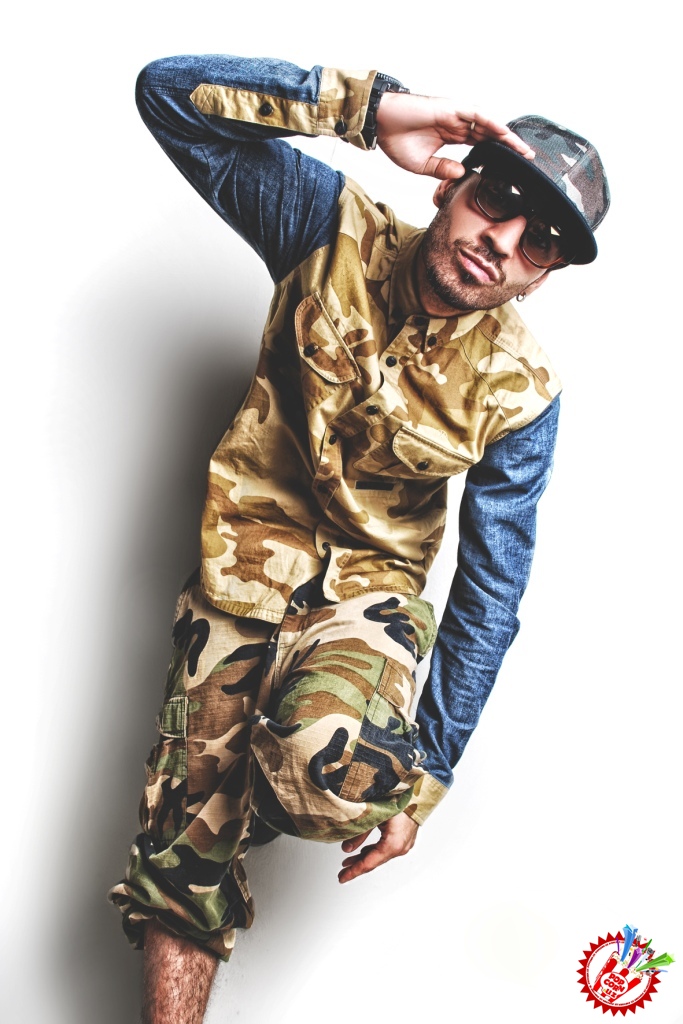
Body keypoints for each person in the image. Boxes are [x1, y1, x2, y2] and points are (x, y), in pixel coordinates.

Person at [108, 53, 609, 1023]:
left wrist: (430, 772)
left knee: (330, 776)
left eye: (537, 244)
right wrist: (372, 112)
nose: (500, 243)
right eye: (496, 202)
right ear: (453, 182)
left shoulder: (522, 394)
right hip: (236, 582)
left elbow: (490, 589)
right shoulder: (322, 226)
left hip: (365, 605)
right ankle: (206, 828)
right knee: (177, 862)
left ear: (542, 276)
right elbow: (166, 94)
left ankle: (253, 789)